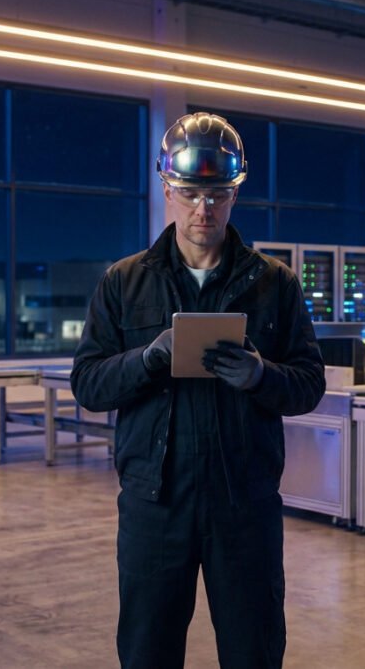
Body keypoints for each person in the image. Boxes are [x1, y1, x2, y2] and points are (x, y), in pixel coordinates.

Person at [70, 112, 326, 669]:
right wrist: (150, 358)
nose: (202, 209)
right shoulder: (124, 281)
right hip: (156, 504)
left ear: (235, 193)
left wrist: (261, 376)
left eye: (215, 194)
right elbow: (88, 383)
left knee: (253, 649)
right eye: (189, 193)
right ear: (166, 188)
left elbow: (308, 385)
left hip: (245, 504)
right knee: (147, 651)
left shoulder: (273, 283)